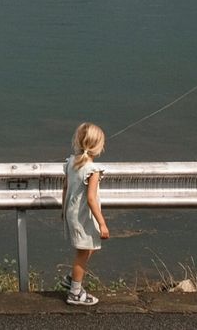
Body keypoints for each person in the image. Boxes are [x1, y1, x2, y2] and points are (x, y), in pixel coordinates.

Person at [62, 122, 110, 306]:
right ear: (98, 146)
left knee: (87, 248)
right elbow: (91, 199)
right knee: (83, 253)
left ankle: (72, 279)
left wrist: (63, 211)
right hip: (83, 216)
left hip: (72, 213)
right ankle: (74, 292)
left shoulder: (70, 163)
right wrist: (102, 223)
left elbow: (66, 187)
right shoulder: (92, 170)